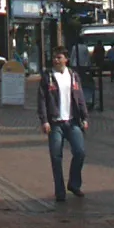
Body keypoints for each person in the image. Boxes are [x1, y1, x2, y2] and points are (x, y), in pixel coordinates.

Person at [37, 44, 90, 202]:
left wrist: (85, 117)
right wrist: (44, 121)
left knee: (80, 152)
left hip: (72, 121)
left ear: (66, 59)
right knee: (56, 157)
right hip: (55, 123)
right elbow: (41, 101)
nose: (55, 60)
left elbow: (80, 97)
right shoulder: (48, 77)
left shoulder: (73, 75)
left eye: (59, 57)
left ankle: (74, 184)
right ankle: (60, 192)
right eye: (54, 57)